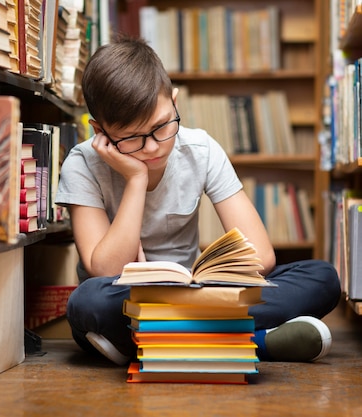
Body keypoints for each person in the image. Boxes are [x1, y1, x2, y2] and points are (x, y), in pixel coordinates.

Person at [54, 35, 342, 366]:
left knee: (321, 278)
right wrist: (136, 180)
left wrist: (206, 284)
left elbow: (262, 256)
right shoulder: (82, 163)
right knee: (86, 303)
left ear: (175, 101)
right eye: (131, 138)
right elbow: (106, 270)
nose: (152, 147)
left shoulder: (200, 150)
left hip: (197, 291)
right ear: (99, 131)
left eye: (162, 126)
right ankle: (255, 342)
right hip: (124, 300)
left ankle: (149, 344)